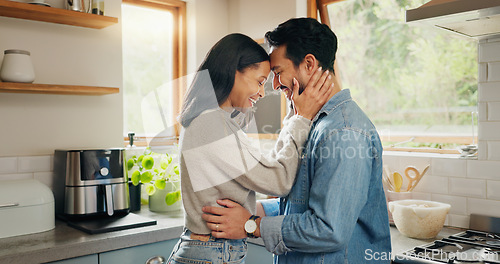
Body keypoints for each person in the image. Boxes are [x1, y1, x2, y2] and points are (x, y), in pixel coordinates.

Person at [201, 18, 392, 263]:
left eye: (279, 72)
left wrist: (253, 225)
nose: (275, 85)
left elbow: (328, 229)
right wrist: (253, 211)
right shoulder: (312, 121)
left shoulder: (344, 132)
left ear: (309, 64)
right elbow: (302, 201)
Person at [167, 33, 334, 264]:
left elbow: (268, 169)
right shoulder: (212, 124)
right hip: (212, 252)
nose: (262, 92)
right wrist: (302, 117)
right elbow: (279, 181)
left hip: (209, 250)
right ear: (234, 70)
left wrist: (294, 116)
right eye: (259, 81)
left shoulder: (213, 119)